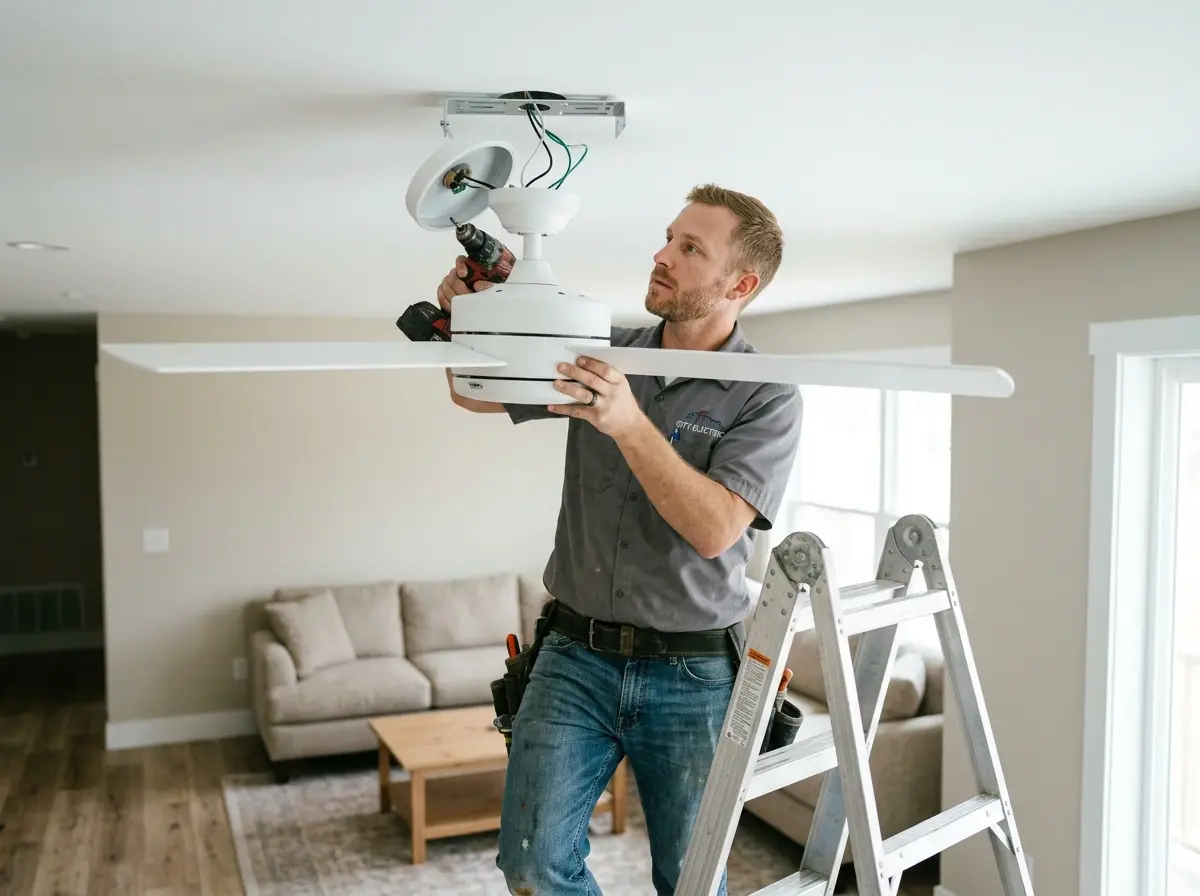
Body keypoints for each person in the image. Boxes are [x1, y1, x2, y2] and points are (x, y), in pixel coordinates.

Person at [436, 184, 803, 895]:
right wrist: (473, 321)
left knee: (691, 881)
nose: (662, 256)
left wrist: (629, 422)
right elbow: (471, 390)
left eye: (690, 248)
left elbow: (715, 529)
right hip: (574, 655)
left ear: (742, 283)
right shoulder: (605, 352)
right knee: (534, 866)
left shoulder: (767, 392)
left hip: (694, 674)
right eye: (669, 237)